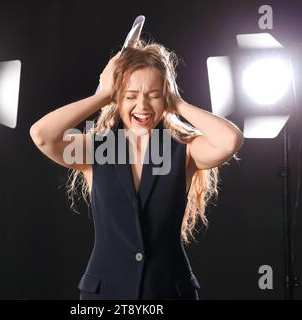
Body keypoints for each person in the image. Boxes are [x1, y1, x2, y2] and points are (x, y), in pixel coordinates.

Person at [30, 40, 244, 300]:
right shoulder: (96, 149)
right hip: (105, 293)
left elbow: (230, 140)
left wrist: (176, 102)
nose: (142, 106)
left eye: (153, 95)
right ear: (117, 99)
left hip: (169, 292)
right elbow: (42, 135)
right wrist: (102, 96)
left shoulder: (183, 150)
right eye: (130, 96)